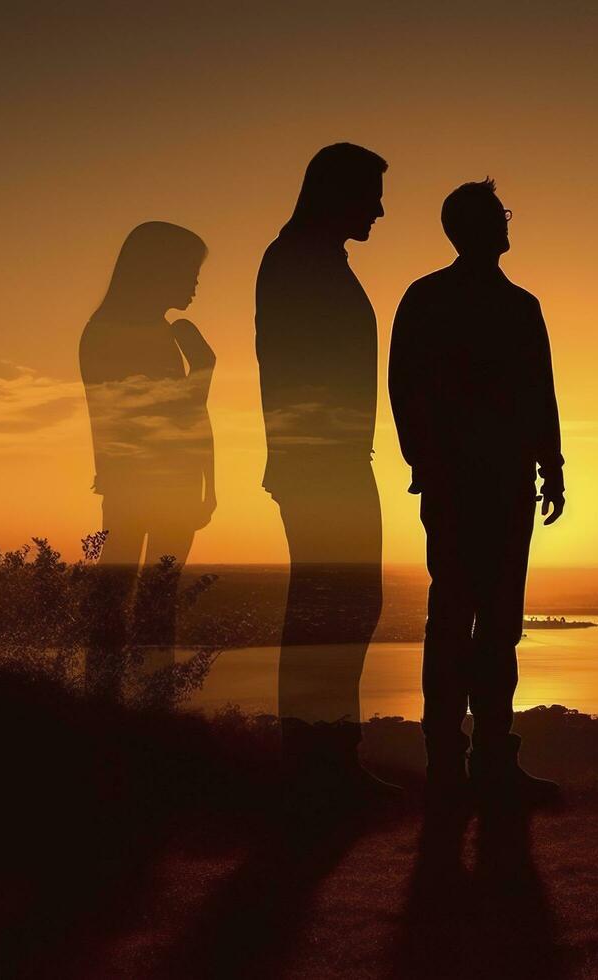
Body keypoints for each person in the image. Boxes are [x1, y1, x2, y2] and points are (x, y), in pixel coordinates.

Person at [388, 178, 565, 805]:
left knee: (491, 623)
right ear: (475, 227)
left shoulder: (506, 304)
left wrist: (553, 463)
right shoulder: (458, 302)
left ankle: (482, 758)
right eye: (499, 215)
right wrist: (431, 465)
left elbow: (540, 394)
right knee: (464, 620)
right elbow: (408, 394)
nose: (507, 223)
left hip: (496, 483)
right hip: (470, 486)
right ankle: (456, 762)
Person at [255, 142, 395, 803]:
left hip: (330, 459)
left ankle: (326, 758)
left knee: (344, 605)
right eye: (371, 194)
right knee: (330, 608)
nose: (381, 209)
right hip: (321, 463)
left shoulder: (313, 260)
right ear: (336, 193)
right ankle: (318, 764)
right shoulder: (297, 262)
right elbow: (287, 368)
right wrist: (306, 455)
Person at [79, 221, 215, 691]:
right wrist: (203, 371)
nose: (195, 282)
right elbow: (169, 415)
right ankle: (131, 702)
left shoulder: (142, 329)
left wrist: (207, 484)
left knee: (143, 599)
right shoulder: (118, 331)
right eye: (188, 270)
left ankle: (129, 700)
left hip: (155, 484)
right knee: (139, 601)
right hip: (145, 485)